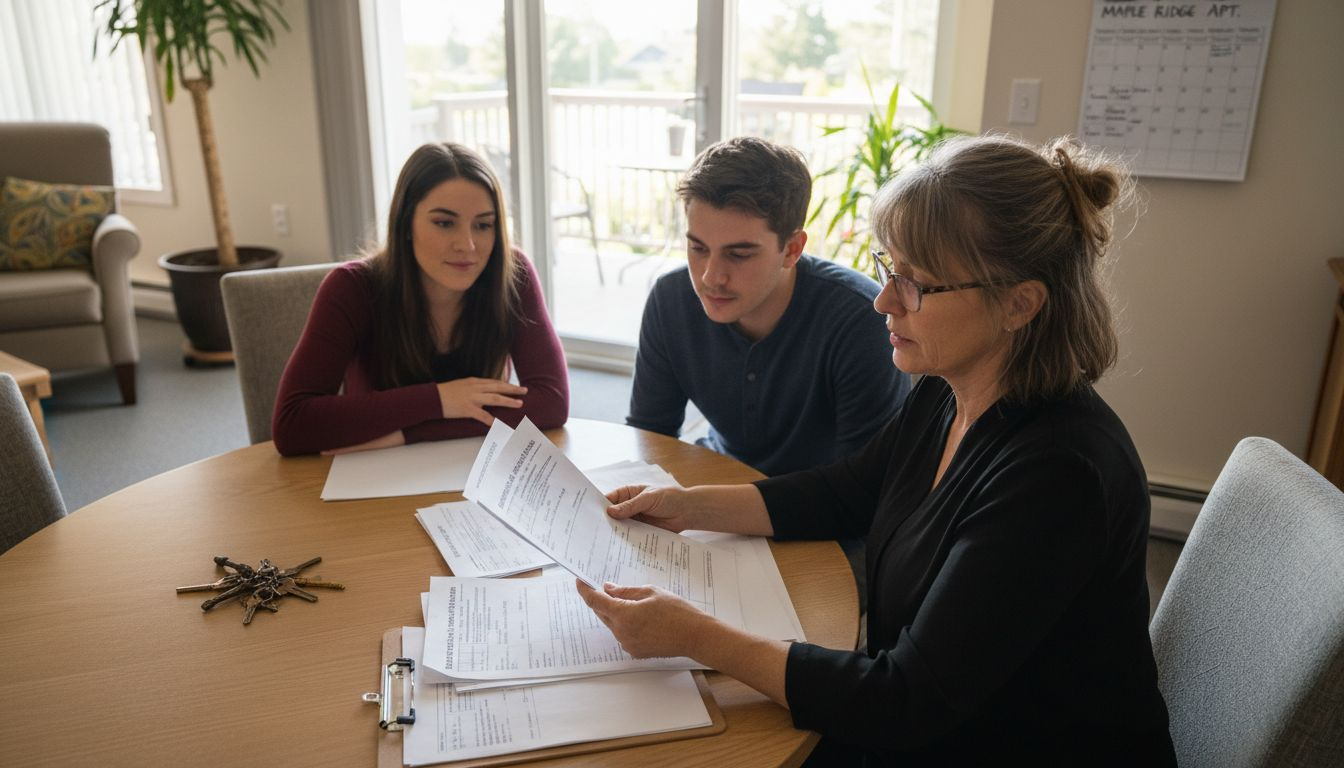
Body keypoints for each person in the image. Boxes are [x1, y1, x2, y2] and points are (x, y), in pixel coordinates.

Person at [580, 135, 1177, 764]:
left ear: (1018, 304)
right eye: (889, 269)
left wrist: (697, 636)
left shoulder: (1058, 474)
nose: (883, 299)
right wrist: (686, 507)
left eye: (916, 285)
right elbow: (844, 491)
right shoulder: (948, 393)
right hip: (946, 719)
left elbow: (905, 701)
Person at [626, 136, 909, 478]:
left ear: (792, 249)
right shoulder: (671, 299)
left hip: (822, 512)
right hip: (718, 484)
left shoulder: (860, 320)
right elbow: (649, 436)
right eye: (698, 248)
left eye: (739, 254)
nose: (710, 277)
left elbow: (867, 489)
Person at [272, 142, 568, 456]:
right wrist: (440, 399)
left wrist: (413, 431)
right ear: (406, 224)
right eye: (444, 223)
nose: (467, 245)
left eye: (483, 225)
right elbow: (293, 424)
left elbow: (551, 403)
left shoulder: (512, 274)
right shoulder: (352, 287)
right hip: (375, 478)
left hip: (473, 475)